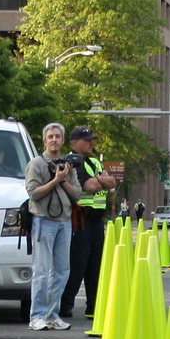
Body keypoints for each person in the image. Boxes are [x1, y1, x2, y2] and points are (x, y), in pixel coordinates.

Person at [22, 122, 81, 331]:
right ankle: (36, 315)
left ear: (63, 140)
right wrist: (55, 180)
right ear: (44, 141)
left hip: (64, 222)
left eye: (58, 136)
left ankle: (52, 315)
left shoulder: (67, 165)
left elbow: (77, 194)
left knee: (62, 271)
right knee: (41, 270)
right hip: (43, 220)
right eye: (50, 137)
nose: (54, 140)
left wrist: (63, 179)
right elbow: (33, 193)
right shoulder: (36, 164)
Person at [58, 127, 120, 322]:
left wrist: (100, 180)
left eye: (92, 139)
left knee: (95, 267)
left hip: (96, 222)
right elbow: (90, 186)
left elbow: (112, 182)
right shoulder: (72, 161)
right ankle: (65, 306)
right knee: (77, 265)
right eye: (87, 140)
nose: (91, 143)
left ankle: (93, 307)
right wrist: (102, 180)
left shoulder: (93, 161)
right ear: (75, 142)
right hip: (81, 220)